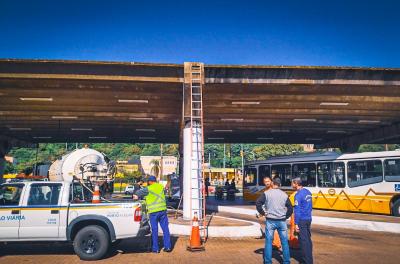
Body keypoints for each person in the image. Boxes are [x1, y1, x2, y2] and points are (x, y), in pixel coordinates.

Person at [256, 176, 293, 264]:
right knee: (284, 242)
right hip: (281, 221)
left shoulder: (267, 193)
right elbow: (290, 208)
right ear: (280, 184)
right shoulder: (284, 194)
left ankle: (268, 262)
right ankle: (286, 261)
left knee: (268, 242)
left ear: (272, 183)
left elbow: (258, 203)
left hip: (270, 221)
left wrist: (263, 213)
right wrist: (285, 216)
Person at [133, 175, 172, 253]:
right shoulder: (161, 187)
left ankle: (156, 249)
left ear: (150, 181)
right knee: (165, 229)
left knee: (154, 230)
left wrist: (137, 185)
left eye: (148, 181)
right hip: (163, 211)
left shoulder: (148, 189)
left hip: (154, 213)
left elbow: (137, 194)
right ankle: (167, 247)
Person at [292, 177, 313, 264]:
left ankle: (306, 261)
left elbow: (297, 210)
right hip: (308, 218)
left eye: (292, 183)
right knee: (308, 239)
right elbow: (310, 206)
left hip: (302, 220)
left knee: (303, 242)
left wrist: (296, 223)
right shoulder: (308, 192)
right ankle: (309, 258)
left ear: (296, 184)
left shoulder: (298, 195)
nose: (291, 185)